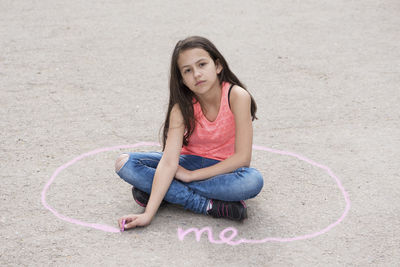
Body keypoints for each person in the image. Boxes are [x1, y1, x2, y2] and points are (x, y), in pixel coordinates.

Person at [115, 36, 264, 230]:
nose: (197, 74)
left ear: (217, 66)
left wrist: (192, 176)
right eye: (187, 71)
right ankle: (207, 205)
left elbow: (242, 158)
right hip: (186, 163)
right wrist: (147, 215)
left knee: (252, 181)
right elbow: (169, 162)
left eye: (202, 64)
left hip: (224, 170)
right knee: (125, 163)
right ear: (183, 80)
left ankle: (161, 191)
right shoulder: (182, 108)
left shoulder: (237, 96)